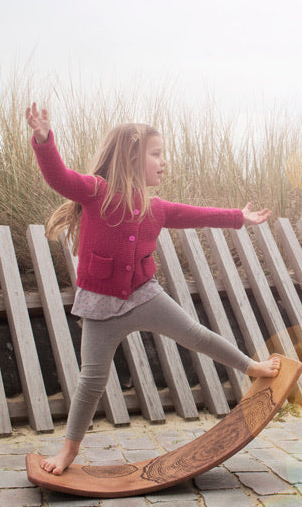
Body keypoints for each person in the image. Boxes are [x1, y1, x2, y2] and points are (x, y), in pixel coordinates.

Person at [25, 102, 281, 475]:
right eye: (156, 154)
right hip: (100, 304)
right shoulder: (97, 192)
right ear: (131, 156)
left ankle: (252, 367)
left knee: (196, 334)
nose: (164, 162)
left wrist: (238, 217)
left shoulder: (156, 207)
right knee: (92, 381)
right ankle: (67, 453)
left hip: (144, 295)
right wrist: (44, 139)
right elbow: (60, 178)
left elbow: (197, 215)